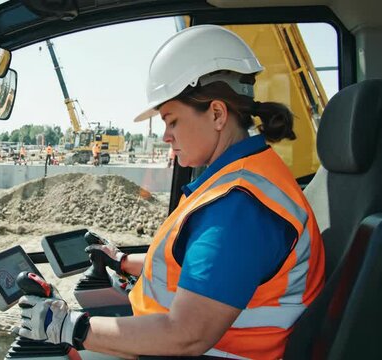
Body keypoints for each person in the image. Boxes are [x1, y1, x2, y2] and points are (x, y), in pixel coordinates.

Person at [18, 25, 325, 359]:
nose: (165, 136)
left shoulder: (239, 207)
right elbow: (195, 265)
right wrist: (122, 260)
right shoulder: (239, 180)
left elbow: (186, 335)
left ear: (217, 114)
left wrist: (67, 327)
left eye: (172, 120)